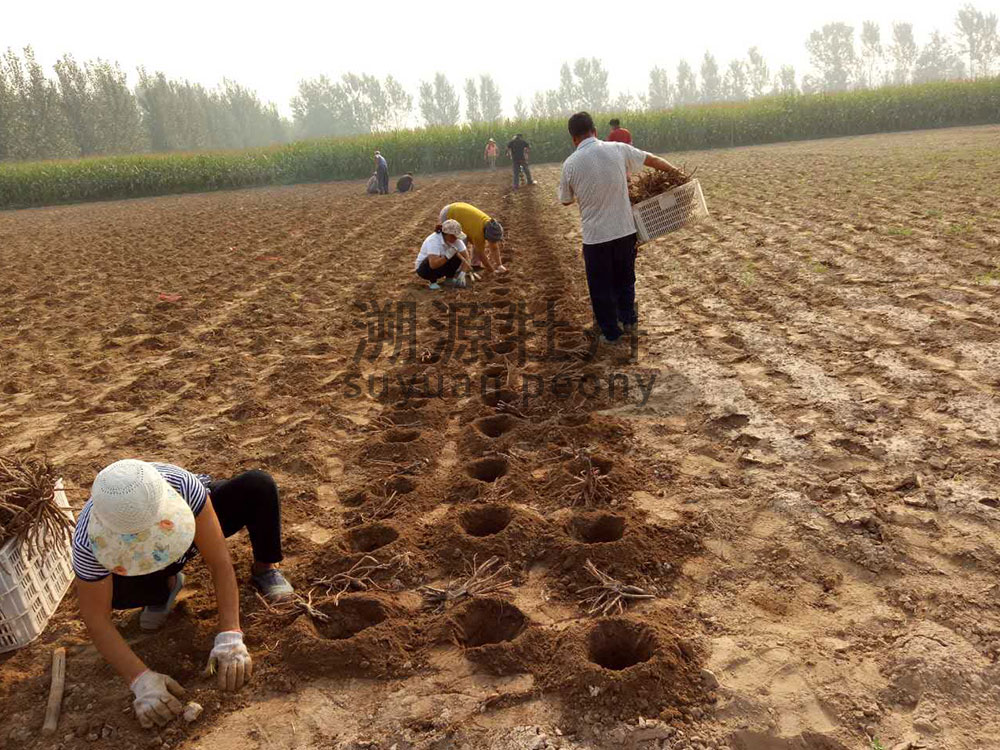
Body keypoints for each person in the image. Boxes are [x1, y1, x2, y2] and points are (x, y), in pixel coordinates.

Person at [73, 459, 294, 728]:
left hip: (191, 530)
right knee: (111, 594)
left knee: (258, 485)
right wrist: (140, 679)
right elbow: (96, 618)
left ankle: (265, 569)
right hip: (138, 570)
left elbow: (219, 561)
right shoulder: (88, 544)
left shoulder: (182, 486)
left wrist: (230, 634)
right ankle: (160, 590)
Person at [558, 111, 681, 343]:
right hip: (625, 231)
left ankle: (611, 334)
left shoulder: (570, 164)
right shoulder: (617, 148)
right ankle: (629, 321)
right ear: (594, 131)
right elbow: (652, 159)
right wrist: (677, 173)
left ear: (573, 138)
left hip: (596, 238)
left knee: (601, 287)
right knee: (625, 280)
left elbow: (565, 200)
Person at [439, 202, 507, 274]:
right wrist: (492, 270)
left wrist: (499, 265)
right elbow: (481, 254)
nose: (493, 242)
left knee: (477, 244)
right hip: (449, 213)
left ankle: (475, 265)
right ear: (487, 235)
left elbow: (494, 247)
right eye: (492, 240)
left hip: (461, 213)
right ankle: (455, 269)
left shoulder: (490, 224)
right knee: (460, 244)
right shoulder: (478, 233)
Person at [414, 219, 474, 290]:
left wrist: (462, 273)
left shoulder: (456, 240)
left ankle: (449, 278)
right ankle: (433, 282)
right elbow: (433, 265)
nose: (456, 239)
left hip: (441, 266)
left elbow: (466, 257)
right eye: (453, 236)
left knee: (456, 257)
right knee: (431, 259)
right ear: (447, 234)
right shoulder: (434, 241)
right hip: (425, 269)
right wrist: (447, 256)